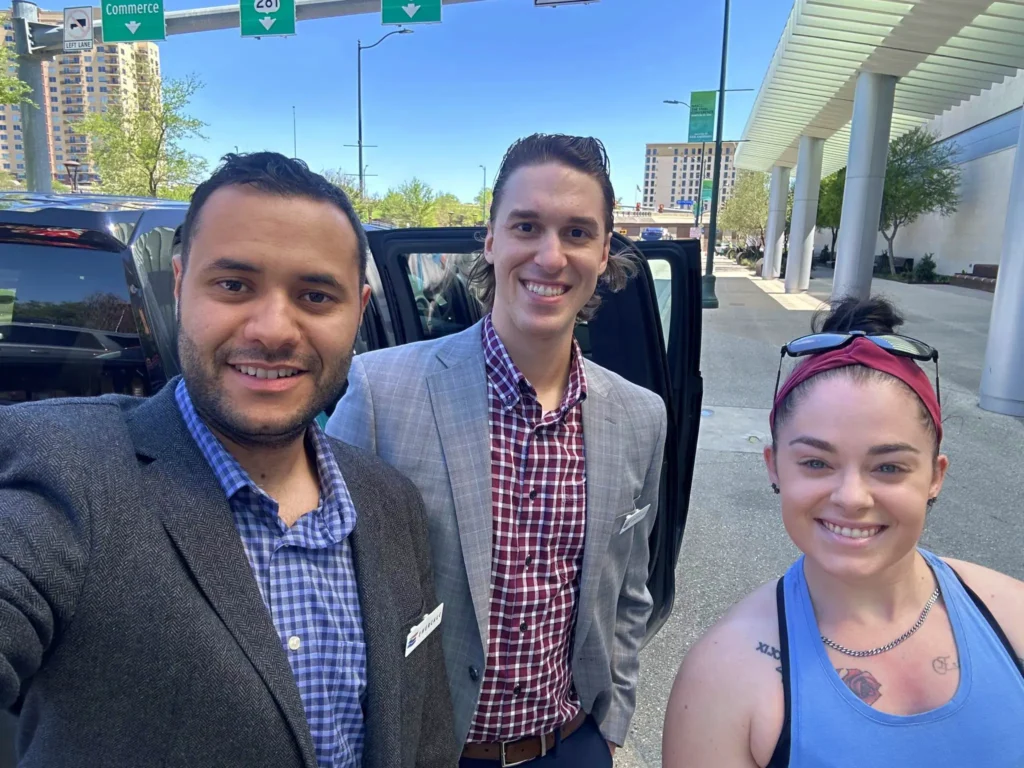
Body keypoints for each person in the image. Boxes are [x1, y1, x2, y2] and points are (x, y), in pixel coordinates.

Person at [0, 153, 456, 768]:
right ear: (180, 283)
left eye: (316, 295)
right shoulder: (66, 473)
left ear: (358, 309)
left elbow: (420, 732)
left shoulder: (389, 502)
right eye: (235, 285)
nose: (273, 329)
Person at [326, 134, 667, 767]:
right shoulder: (382, 392)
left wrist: (613, 718)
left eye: (576, 233)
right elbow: (329, 589)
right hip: (430, 754)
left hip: (570, 746)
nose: (550, 255)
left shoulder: (641, 417)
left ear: (603, 252)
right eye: (527, 226)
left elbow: (629, 591)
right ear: (490, 240)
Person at [663, 297, 1024, 768]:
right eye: (816, 463)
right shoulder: (722, 678)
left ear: (935, 476)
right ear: (775, 468)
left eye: (889, 467)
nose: (852, 497)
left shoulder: (1013, 619)